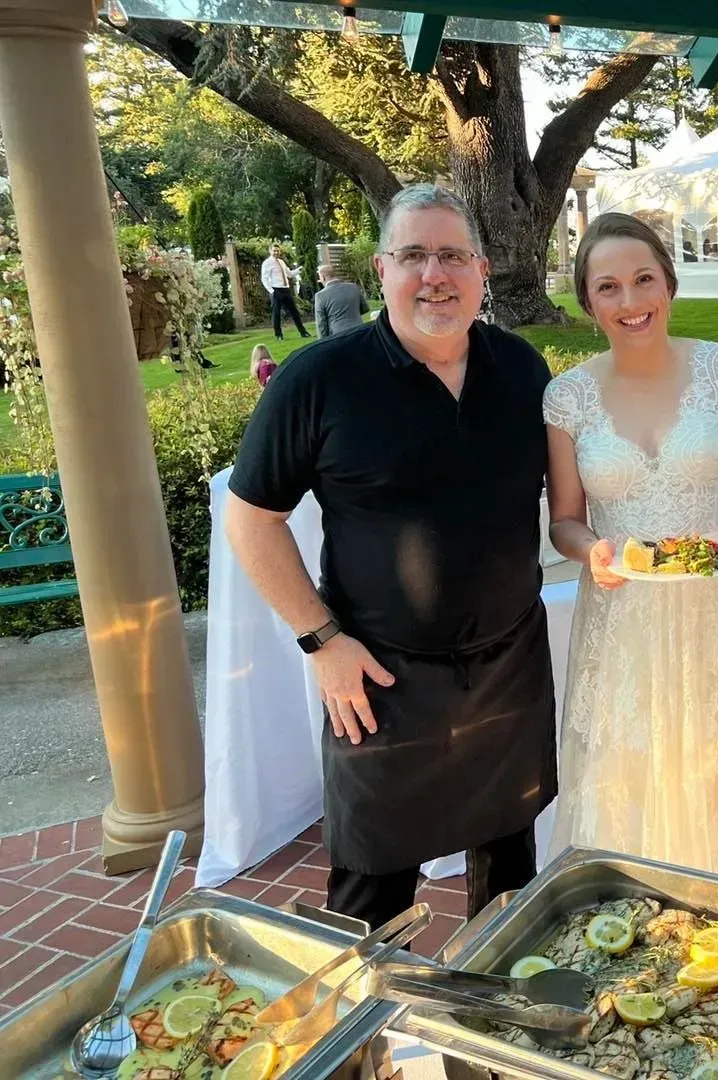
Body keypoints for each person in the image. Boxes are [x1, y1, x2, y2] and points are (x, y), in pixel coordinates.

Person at [225, 184, 555, 929]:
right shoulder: (318, 380)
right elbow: (251, 520)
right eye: (413, 255)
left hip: (508, 669)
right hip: (378, 678)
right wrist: (321, 640)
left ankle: (487, 1035)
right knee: (370, 903)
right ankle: (357, 1047)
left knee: (509, 891)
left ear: (482, 269)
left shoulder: (522, 371)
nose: (434, 274)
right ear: (381, 270)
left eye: (451, 255)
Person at [543, 212, 718, 888]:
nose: (631, 302)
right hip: (623, 619)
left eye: (644, 280)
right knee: (630, 773)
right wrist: (593, 550)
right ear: (588, 301)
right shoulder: (567, 398)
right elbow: (564, 520)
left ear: (670, 284)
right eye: (609, 288)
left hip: (716, 606)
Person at [261, 243, 310, 341]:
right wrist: (271, 291)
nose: (276, 252)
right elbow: (264, 279)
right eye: (274, 251)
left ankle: (303, 332)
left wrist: (298, 270)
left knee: (294, 311)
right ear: (270, 251)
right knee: (276, 313)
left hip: (285, 289)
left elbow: (289, 274)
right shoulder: (267, 263)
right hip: (276, 289)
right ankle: (278, 335)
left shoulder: (281, 262)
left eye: (277, 251)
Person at [314, 265, 369, 337]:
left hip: (338, 336)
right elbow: (365, 308)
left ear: (323, 277)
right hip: (359, 331)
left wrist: (323, 342)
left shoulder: (320, 296)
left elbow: (321, 324)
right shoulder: (354, 287)